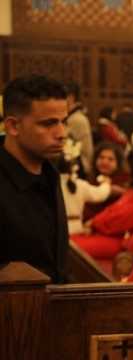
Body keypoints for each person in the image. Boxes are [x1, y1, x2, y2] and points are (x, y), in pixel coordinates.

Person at [0, 75, 69, 283]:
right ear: (13, 126)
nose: (61, 133)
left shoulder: (50, 174)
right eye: (48, 124)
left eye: (63, 122)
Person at [65, 81, 94, 175]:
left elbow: (86, 152)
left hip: (79, 169)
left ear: (71, 97)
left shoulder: (77, 119)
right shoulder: (74, 117)